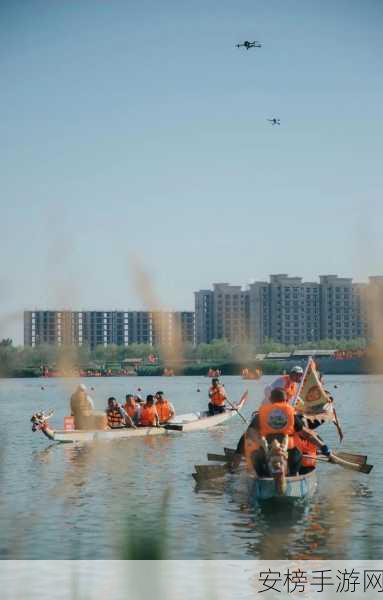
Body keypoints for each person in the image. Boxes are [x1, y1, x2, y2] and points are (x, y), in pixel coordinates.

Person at [232, 388, 331, 476]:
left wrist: (235, 466)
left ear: (270, 400)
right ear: (286, 401)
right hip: (288, 452)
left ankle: (260, 476)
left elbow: (248, 434)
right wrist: (323, 447)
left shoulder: (261, 414)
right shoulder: (291, 415)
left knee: (253, 452)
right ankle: (293, 475)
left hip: (266, 452)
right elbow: (307, 435)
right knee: (297, 453)